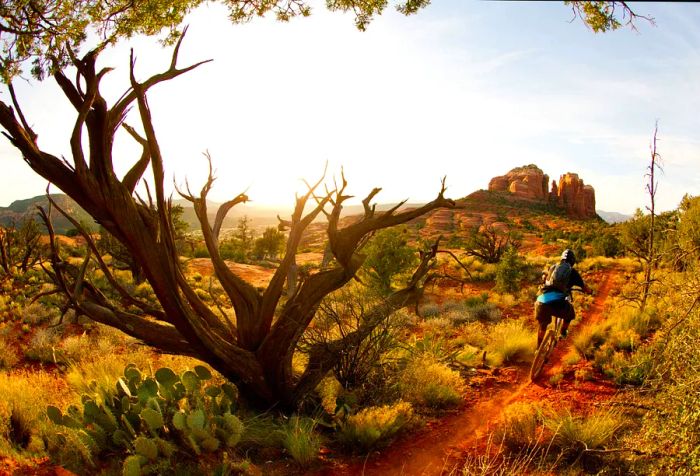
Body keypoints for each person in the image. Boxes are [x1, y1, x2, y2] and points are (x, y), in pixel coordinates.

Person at [534, 249, 591, 347]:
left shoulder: (553, 267)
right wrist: (590, 291)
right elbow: (584, 287)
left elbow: (544, 278)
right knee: (570, 314)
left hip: (542, 300)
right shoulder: (572, 272)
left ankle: (538, 348)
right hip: (558, 302)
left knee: (542, 325)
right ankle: (563, 332)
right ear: (572, 261)